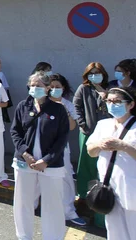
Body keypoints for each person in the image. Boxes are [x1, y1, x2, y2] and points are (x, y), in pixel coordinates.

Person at [11, 72, 69, 240]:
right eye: (32, 85)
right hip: (24, 163)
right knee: (23, 202)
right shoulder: (23, 106)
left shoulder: (58, 109)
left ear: (47, 88)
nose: (34, 88)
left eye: (39, 85)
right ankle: (23, 236)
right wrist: (25, 154)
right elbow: (15, 131)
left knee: (53, 204)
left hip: (50, 165)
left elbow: (62, 138)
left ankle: (53, 237)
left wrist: (46, 160)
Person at [87, 87, 136, 240]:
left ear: (130, 105)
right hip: (109, 187)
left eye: (117, 101)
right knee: (114, 231)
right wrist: (99, 145)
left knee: (134, 229)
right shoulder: (103, 124)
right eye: (109, 101)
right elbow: (91, 151)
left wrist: (125, 147)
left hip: (132, 187)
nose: (112, 104)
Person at [47, 73, 86, 226]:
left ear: (63, 88)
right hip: (40, 147)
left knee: (66, 177)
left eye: (58, 87)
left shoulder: (67, 104)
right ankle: (41, 207)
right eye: (52, 87)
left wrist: (65, 112)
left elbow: (71, 127)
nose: (55, 90)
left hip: (61, 147)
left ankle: (69, 211)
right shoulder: (41, 102)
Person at [74, 62, 109, 227]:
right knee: (85, 162)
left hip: (105, 135)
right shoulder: (83, 88)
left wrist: (105, 96)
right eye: (92, 73)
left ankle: (99, 193)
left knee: (101, 165)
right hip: (87, 133)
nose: (95, 76)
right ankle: (83, 194)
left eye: (98, 73)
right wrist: (83, 125)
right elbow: (77, 106)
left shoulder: (108, 89)